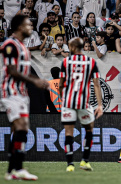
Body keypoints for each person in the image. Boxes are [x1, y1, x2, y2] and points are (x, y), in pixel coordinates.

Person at [1, 14, 49, 181]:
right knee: (21, 127)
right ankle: (19, 168)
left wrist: (36, 82)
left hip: (22, 93)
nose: (31, 28)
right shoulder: (10, 44)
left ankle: (11, 170)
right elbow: (13, 71)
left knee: (19, 130)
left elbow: (24, 71)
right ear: (20, 27)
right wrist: (35, 82)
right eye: (29, 25)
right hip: (11, 91)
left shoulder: (23, 47)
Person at [59, 37, 103, 171]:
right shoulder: (91, 61)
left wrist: (63, 98)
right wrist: (100, 105)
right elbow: (96, 84)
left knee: (68, 133)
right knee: (89, 130)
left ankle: (70, 165)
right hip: (84, 102)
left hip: (69, 102)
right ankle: (85, 161)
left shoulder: (66, 62)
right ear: (83, 47)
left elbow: (61, 84)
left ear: (72, 47)